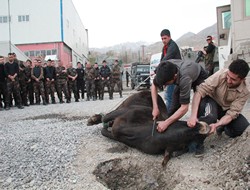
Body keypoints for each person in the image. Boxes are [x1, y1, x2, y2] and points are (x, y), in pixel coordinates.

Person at [187, 59, 250, 155]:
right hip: (211, 101)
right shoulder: (222, 74)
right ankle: (197, 142)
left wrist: (217, 124)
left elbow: (232, 113)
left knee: (243, 128)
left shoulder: (245, 91)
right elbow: (200, 91)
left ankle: (224, 127)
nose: (228, 80)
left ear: (242, 79)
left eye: (233, 79)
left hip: (225, 109)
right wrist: (193, 115)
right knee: (210, 116)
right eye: (228, 76)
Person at [151, 59, 208, 132]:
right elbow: (154, 85)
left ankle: (198, 133)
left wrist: (166, 123)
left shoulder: (184, 78)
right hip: (182, 74)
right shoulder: (163, 68)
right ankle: (167, 129)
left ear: (174, 77)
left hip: (199, 76)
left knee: (200, 106)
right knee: (174, 104)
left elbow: (184, 107)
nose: (165, 87)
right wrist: (155, 107)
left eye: (166, 84)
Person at [159, 29, 182, 112]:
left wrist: (157, 70)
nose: (163, 40)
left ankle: (168, 116)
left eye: (165, 38)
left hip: (175, 75)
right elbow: (162, 60)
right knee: (170, 96)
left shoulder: (172, 46)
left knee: (170, 96)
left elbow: (166, 59)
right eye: (162, 39)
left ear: (169, 37)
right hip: (170, 75)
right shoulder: (165, 48)